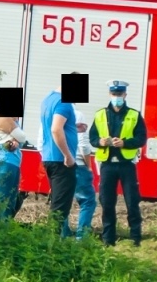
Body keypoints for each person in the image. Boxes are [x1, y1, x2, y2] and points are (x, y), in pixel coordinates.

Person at [91, 80, 147, 246]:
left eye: (120, 94)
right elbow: (92, 137)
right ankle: (108, 239)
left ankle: (135, 238)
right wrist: (100, 142)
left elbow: (141, 138)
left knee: (132, 201)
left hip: (126, 164)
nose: (117, 97)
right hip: (107, 164)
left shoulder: (134, 115)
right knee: (107, 202)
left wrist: (125, 143)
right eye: (114, 94)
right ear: (110, 94)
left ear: (125, 95)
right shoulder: (100, 115)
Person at [39, 86, 78, 237]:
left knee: (57, 202)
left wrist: (73, 128)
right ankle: (52, 243)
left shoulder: (48, 99)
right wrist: (67, 155)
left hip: (49, 157)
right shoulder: (64, 102)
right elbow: (56, 129)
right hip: (61, 161)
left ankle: (52, 240)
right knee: (60, 208)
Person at [0, 111, 28, 220]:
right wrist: (16, 139)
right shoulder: (5, 119)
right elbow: (23, 137)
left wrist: (15, 139)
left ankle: (3, 224)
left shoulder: (9, 120)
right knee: (4, 198)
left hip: (11, 163)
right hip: (7, 162)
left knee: (9, 198)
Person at [72, 108, 97, 238]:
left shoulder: (54, 113)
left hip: (61, 165)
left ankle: (62, 235)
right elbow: (83, 145)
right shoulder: (77, 114)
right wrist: (89, 165)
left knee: (62, 202)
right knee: (88, 201)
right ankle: (81, 237)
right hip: (79, 165)